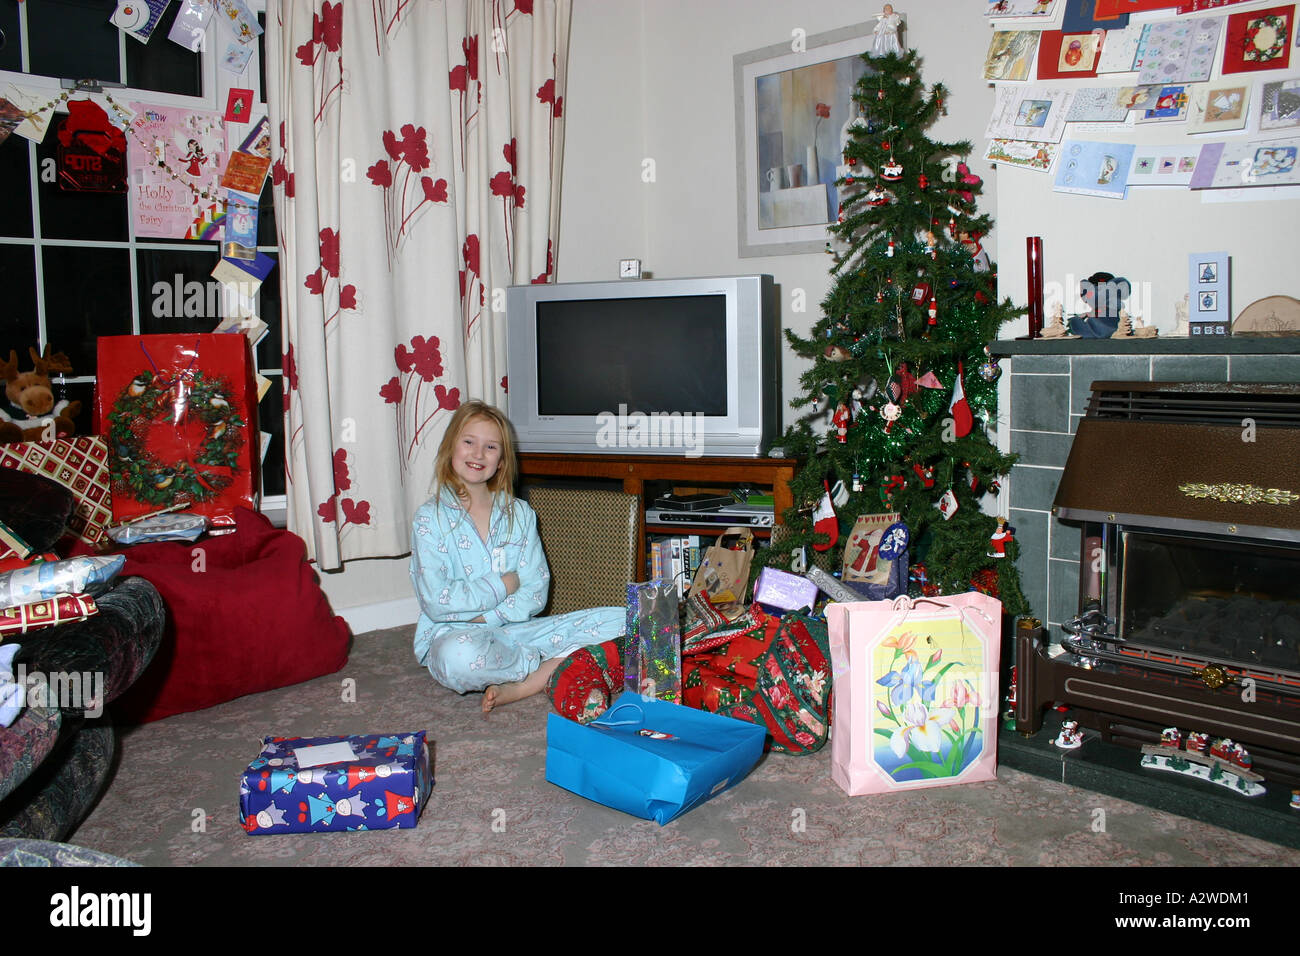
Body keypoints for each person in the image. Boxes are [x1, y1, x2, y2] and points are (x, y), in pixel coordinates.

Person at [410, 401, 624, 714]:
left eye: (491, 446)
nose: (478, 454)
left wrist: (487, 615)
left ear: (501, 461)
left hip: (519, 630)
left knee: (630, 621)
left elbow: (535, 592)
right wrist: (502, 585)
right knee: (459, 659)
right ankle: (544, 669)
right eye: (469, 442)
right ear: (450, 448)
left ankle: (531, 678)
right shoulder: (429, 519)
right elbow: (437, 601)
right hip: (455, 636)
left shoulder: (520, 514)